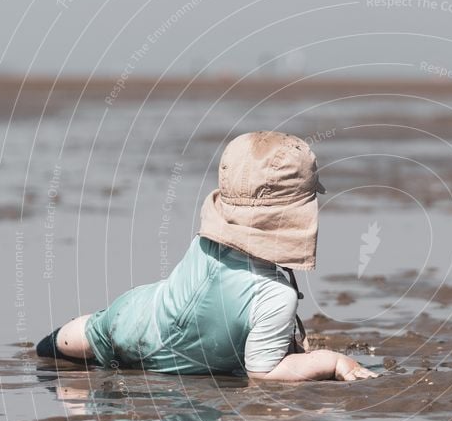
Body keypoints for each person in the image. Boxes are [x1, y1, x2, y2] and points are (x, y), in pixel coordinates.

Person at [36, 131, 377, 382]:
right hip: (173, 356)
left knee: (91, 335)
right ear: (299, 214)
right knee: (97, 339)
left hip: (135, 322)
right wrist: (332, 362)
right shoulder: (276, 295)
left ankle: (47, 347)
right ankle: (49, 351)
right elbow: (266, 372)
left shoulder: (206, 242)